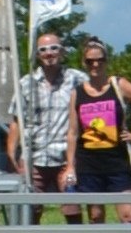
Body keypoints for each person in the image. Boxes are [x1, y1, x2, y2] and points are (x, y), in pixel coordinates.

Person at [63, 35, 131, 233]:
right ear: (83, 63)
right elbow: (72, 132)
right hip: (88, 163)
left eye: (99, 60)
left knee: (128, 216)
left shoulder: (118, 85)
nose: (95, 65)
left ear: (106, 61)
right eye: (90, 61)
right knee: (96, 217)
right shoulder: (77, 93)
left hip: (117, 161)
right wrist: (70, 165)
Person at [10, 26, 79, 210]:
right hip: (34, 158)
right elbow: (17, 122)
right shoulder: (26, 83)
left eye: (54, 48)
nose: (49, 53)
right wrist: (12, 155)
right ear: (37, 55)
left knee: (72, 208)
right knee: (31, 211)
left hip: (66, 158)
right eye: (43, 50)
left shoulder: (76, 80)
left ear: (62, 51)